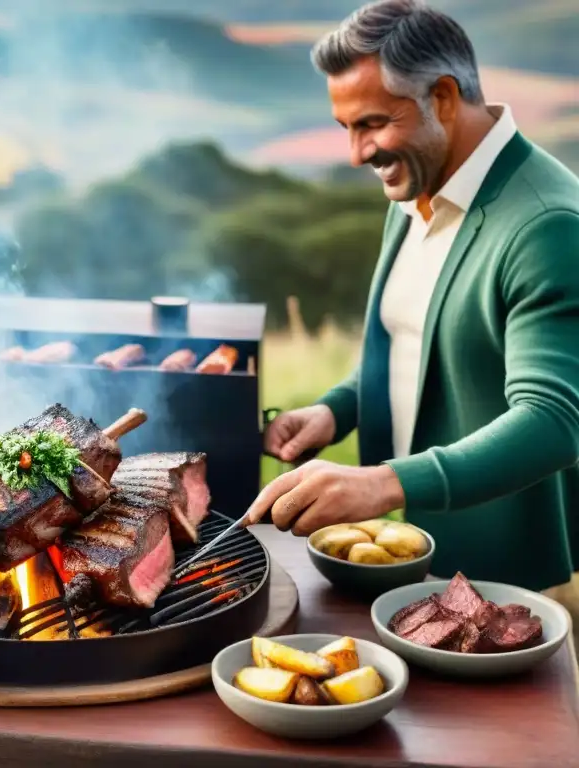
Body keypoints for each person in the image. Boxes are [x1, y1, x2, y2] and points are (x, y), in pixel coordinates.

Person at [245, 1, 579, 604]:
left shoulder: (547, 224)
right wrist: (335, 411)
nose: (355, 153)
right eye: (346, 127)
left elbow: (553, 422)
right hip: (407, 555)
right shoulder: (418, 187)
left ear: (444, 98)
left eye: (371, 123)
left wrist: (383, 484)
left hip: (503, 578)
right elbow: (416, 341)